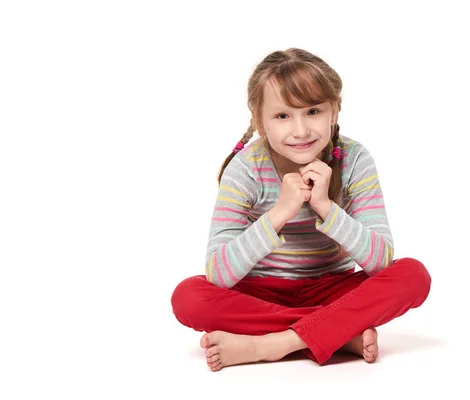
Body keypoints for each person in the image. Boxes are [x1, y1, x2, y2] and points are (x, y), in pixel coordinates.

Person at [171, 48, 431, 372]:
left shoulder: (355, 160)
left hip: (332, 289)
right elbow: (219, 275)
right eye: (283, 116)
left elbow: (382, 263)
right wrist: (280, 212)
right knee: (188, 297)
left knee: (413, 275)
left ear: (334, 111)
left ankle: (275, 343)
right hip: (259, 294)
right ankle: (333, 333)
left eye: (312, 111)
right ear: (260, 122)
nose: (301, 130)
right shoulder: (246, 170)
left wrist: (325, 207)